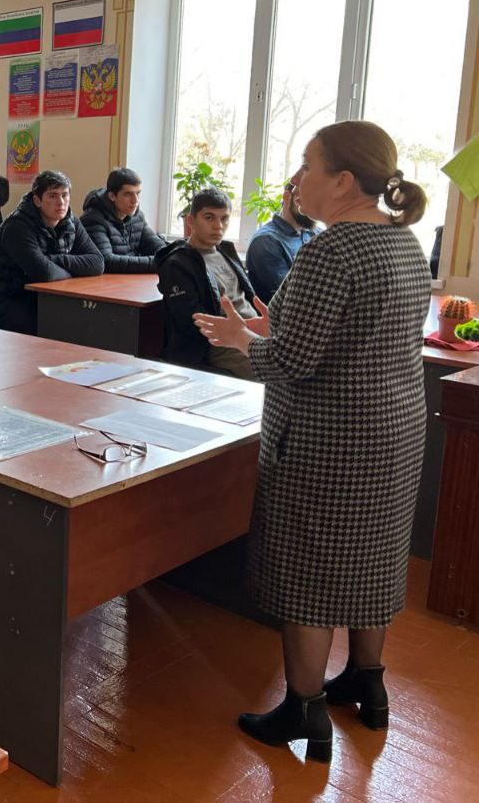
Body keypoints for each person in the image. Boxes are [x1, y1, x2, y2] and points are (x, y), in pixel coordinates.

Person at [192, 121, 431, 762]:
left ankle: (304, 709)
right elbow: (358, 337)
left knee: (310, 575)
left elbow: (290, 362)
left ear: (343, 180)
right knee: (371, 560)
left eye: (307, 165)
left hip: (329, 441)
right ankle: (367, 684)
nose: (297, 179)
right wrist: (276, 325)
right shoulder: (403, 242)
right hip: (395, 433)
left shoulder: (332, 250)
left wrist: (241, 337)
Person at [0, 170, 103, 335]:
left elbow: (97, 263)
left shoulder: (71, 221)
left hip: (40, 295)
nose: (61, 202)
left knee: (80, 323)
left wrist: (52, 260)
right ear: (37, 200)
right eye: (53, 196)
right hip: (5, 297)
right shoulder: (17, 226)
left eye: (65, 195)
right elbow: (44, 272)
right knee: (51, 328)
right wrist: (74, 270)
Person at [155, 188, 259, 379]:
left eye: (224, 219)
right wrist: (243, 333)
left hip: (251, 335)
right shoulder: (177, 264)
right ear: (191, 221)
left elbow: (248, 300)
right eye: (209, 218)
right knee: (281, 375)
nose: (218, 226)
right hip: (219, 347)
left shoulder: (226, 250)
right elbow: (193, 323)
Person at [80, 167, 166, 273]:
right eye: (128, 194)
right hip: (106, 281)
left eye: (138, 193)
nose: (135, 201)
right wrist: (158, 263)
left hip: (131, 279)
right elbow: (106, 261)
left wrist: (171, 256)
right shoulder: (93, 219)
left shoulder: (137, 216)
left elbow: (158, 247)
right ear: (112, 196)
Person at [246, 182, 320, 304]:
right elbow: (290, 297)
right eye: (307, 199)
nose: (314, 207)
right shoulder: (266, 242)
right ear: (287, 197)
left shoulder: (315, 232)